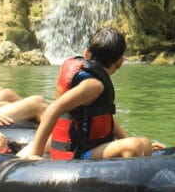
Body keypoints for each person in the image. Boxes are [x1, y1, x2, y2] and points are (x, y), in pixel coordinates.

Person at [17, 26, 161, 160]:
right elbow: (53, 109)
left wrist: (125, 140)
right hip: (77, 153)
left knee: (143, 143)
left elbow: (102, 116)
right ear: (120, 62)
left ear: (86, 53)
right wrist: (35, 155)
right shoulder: (94, 85)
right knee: (137, 145)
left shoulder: (90, 79)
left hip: (82, 144)